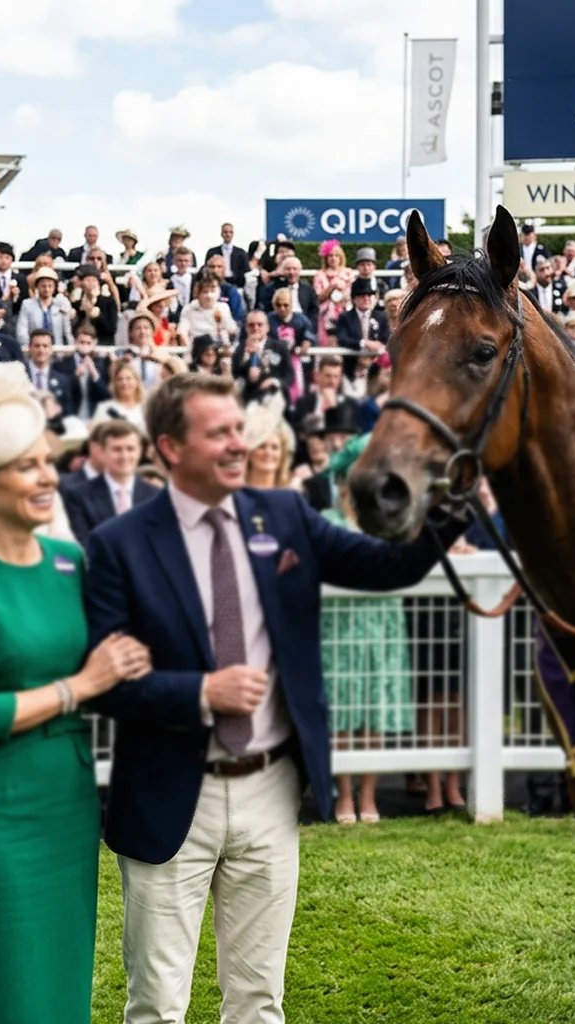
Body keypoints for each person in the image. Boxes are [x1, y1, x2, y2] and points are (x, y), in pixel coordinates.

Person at [81, 372, 460, 1024]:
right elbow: (107, 683)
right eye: (219, 432)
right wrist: (201, 691)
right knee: (156, 1006)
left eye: (239, 429)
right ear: (170, 448)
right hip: (171, 792)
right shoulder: (118, 545)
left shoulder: (282, 514)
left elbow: (386, 566)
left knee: (259, 1002)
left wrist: (452, 506)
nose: (238, 443)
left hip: (270, 790)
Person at [0, 356, 150, 1024]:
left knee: (61, 991)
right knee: (4, 998)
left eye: (47, 461)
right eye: (26, 466)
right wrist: (82, 686)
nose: (47, 476)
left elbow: (124, 656)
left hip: (66, 803)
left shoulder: (73, 561)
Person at [319, 434, 413, 825]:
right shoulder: (328, 521)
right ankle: (344, 795)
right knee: (342, 711)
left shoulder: (390, 520)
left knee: (374, 712)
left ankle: (369, 795)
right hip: (339, 630)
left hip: (381, 627)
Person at [61, 418, 157, 547]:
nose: (124, 456)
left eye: (130, 449)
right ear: (101, 452)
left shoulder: (155, 495)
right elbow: (85, 545)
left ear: (139, 451)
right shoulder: (78, 497)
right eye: (116, 449)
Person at [90, 357, 147, 435]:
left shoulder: (146, 409)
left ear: (137, 382)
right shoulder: (105, 408)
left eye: (128, 378)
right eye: (119, 379)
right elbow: (94, 436)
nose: (124, 383)